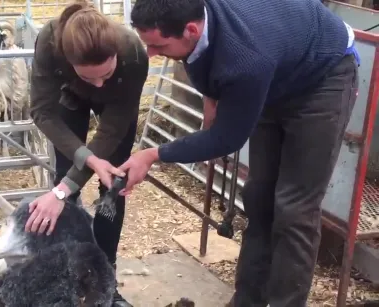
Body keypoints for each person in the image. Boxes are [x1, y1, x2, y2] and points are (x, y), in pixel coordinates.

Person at [122, 0, 360, 306]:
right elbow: (204, 58)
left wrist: (151, 155)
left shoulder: (245, 59)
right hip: (276, 66)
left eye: (158, 45)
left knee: (294, 207)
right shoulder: (196, 19)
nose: (152, 53)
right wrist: (212, 96)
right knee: (259, 197)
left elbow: (226, 139)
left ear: (191, 29)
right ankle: (247, 300)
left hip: (322, 75)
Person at [25, 1, 149, 306]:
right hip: (71, 99)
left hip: (117, 106)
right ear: (68, 61)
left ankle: (106, 282)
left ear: (116, 56)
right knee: (67, 180)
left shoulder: (133, 53)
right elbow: (42, 112)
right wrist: (66, 187)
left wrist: (70, 184)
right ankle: (67, 273)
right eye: (90, 76)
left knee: (113, 186)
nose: (98, 83)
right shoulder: (50, 42)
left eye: (104, 73)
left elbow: (112, 128)